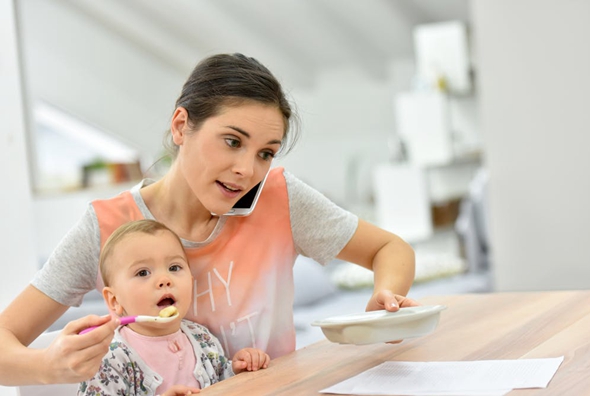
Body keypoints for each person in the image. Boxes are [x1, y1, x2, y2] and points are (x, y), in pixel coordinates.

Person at [0, 52, 417, 386]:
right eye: (232, 141)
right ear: (181, 126)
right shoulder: (108, 225)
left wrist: (387, 299)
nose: (246, 170)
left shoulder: (278, 196)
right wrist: (48, 368)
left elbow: (389, 248)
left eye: (265, 153)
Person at [78, 219, 269, 396]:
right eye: (143, 272)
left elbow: (220, 380)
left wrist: (237, 370)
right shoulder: (108, 359)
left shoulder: (202, 338)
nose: (164, 280)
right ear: (114, 300)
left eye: (174, 268)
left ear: (191, 281)